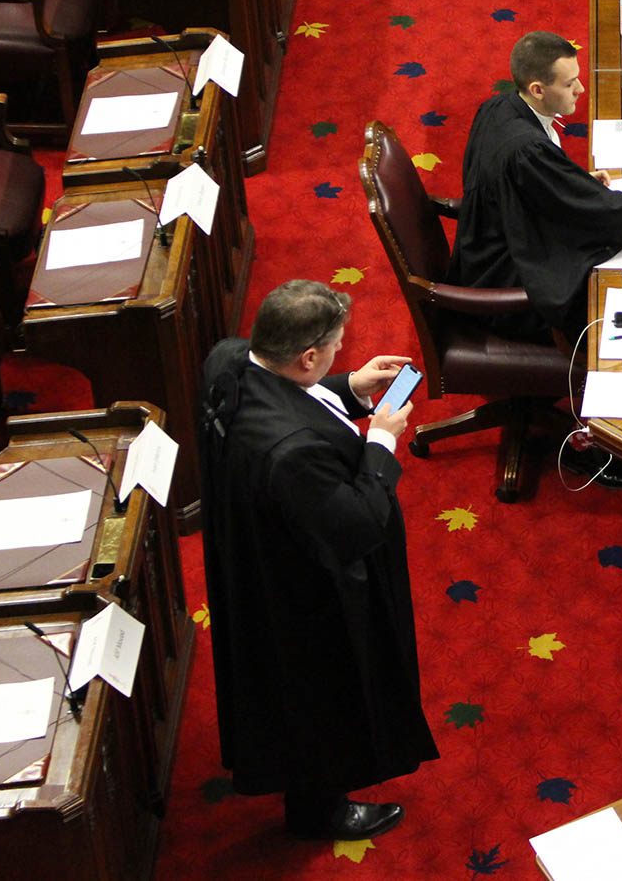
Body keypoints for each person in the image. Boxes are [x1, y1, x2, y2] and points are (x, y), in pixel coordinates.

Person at [198, 280, 438, 840]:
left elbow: (284, 394)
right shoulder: (294, 453)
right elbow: (357, 523)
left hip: (253, 550)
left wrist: (348, 389)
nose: (337, 355)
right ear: (308, 355)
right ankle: (318, 809)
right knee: (319, 692)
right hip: (304, 594)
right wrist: (380, 442)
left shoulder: (228, 359)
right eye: (333, 350)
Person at [448, 30, 622, 345]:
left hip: (485, 250)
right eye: (569, 84)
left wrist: (569, 180)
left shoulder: (499, 106)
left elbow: (524, 186)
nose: (581, 89)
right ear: (537, 89)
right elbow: (605, 214)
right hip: (506, 281)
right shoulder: (525, 151)